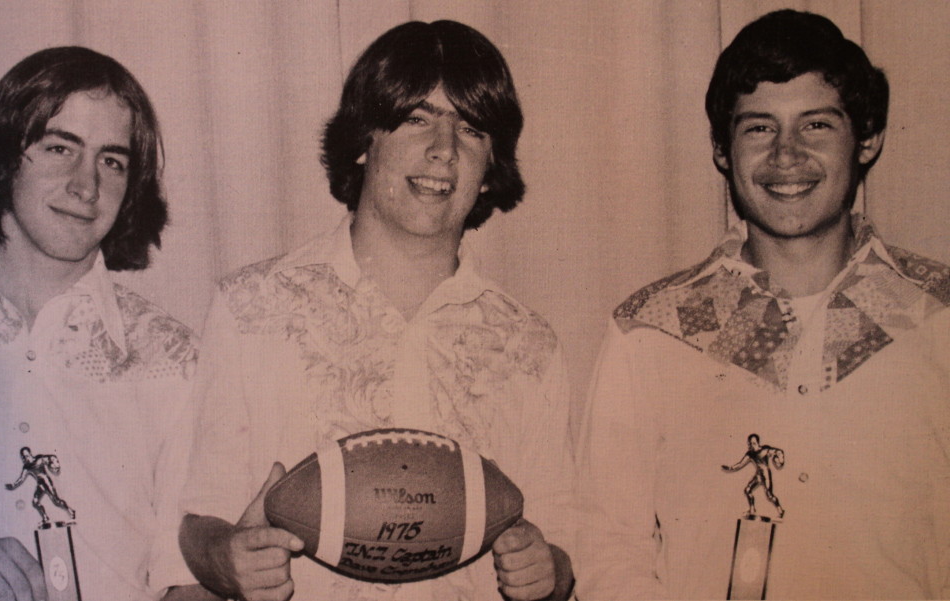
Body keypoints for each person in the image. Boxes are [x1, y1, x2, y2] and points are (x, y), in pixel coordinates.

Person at [171, 20, 576, 601]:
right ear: (364, 140)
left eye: (471, 128)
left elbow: (564, 541)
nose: (444, 150)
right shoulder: (251, 306)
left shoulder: (529, 343)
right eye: (417, 118)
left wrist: (550, 572)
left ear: (491, 168)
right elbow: (194, 517)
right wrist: (225, 557)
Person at [576, 9, 950, 600]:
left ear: (869, 138)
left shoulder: (938, 317)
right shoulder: (649, 333)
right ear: (722, 150)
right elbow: (607, 549)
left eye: (817, 126)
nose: (786, 154)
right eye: (758, 128)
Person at [0, 47, 197, 601]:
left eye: (112, 161)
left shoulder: (171, 355)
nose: (86, 186)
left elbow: (186, 580)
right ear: (3, 158)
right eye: (59, 148)